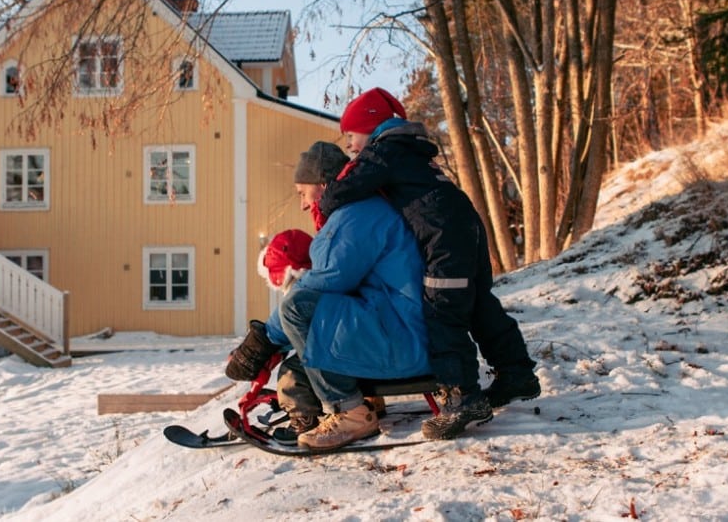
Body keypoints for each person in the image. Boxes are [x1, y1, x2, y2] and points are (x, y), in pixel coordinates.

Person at [319, 87, 540, 440]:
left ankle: (462, 396)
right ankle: (516, 374)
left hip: (443, 237)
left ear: (372, 127)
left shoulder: (384, 151)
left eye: (351, 134)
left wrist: (330, 192)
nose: (349, 145)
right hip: (466, 225)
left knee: (443, 310)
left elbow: (340, 194)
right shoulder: (412, 153)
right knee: (479, 303)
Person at [227, 141, 432, 450]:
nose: (302, 205)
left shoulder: (356, 216)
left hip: (402, 337)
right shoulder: (357, 211)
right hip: (397, 328)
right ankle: (358, 400)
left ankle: (349, 411)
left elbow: (321, 285)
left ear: (322, 184)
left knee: (298, 308)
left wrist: (265, 338)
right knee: (308, 331)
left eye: (302, 192)